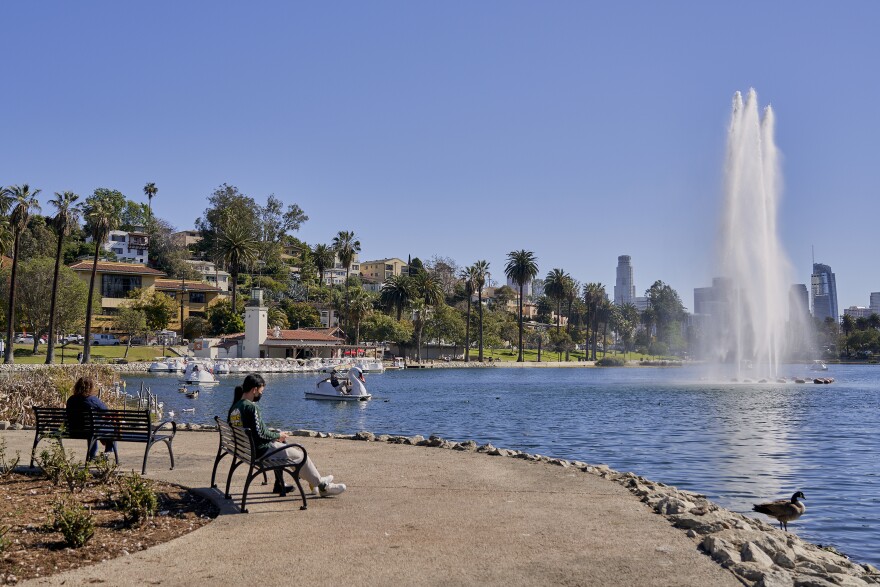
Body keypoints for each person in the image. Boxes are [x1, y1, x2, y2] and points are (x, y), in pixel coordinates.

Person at [228, 374, 346, 497]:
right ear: (254, 390)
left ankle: (305, 480)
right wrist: (277, 435)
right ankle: (322, 485)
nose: (261, 395)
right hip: (261, 452)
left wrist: (276, 435)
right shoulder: (251, 407)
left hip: (246, 450)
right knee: (301, 455)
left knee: (285, 446)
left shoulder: (235, 407)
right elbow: (261, 433)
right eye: (261, 391)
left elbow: (254, 431)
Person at [65, 376, 116, 460]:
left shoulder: (71, 399)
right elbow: (105, 410)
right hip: (90, 430)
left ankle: (92, 455)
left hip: (73, 430)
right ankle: (107, 452)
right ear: (91, 387)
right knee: (111, 429)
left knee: (92, 429)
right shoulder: (92, 400)